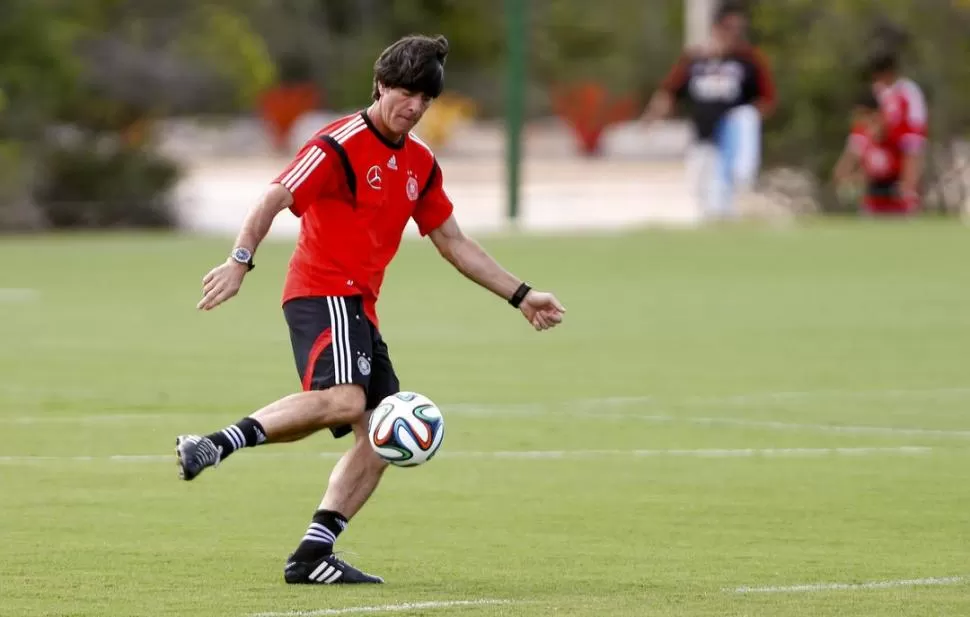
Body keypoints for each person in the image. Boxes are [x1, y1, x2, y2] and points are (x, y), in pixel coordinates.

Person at [175, 34, 566, 585]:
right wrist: (240, 261)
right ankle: (212, 444)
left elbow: (453, 241)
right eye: (405, 93)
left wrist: (522, 295)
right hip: (321, 291)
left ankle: (312, 556)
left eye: (425, 99)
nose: (414, 107)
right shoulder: (337, 144)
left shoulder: (421, 163)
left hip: (359, 305)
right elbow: (273, 196)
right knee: (345, 400)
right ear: (381, 86)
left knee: (382, 434)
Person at [643, 1, 776, 220]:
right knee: (700, 192)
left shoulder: (748, 62)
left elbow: (766, 99)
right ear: (716, 28)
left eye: (738, 29)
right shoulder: (695, 60)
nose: (734, 35)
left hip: (730, 140)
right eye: (729, 28)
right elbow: (670, 91)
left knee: (725, 195)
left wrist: (744, 124)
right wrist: (651, 118)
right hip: (702, 137)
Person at [867, 47, 928, 212]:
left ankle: (909, 199)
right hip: (884, 148)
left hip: (905, 143)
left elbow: (915, 129)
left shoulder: (908, 91)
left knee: (912, 153)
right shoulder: (878, 91)